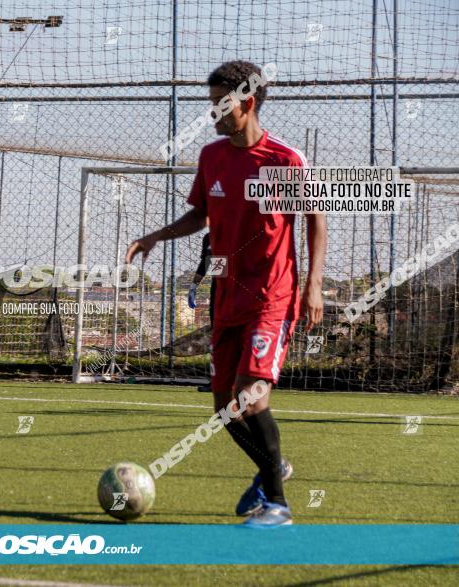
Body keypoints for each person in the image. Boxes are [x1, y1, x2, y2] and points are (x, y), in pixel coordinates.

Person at [126, 61, 326, 527]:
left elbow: (317, 220)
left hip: (272, 296)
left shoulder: (284, 160)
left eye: (221, 103)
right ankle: (272, 468)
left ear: (247, 102)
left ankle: (277, 505)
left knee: (251, 396)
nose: (213, 113)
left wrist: (313, 285)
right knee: (223, 409)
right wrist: (157, 235)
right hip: (226, 299)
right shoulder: (212, 156)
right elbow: (201, 215)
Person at [188, 232, 215, 392]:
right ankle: (218, 380)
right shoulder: (210, 237)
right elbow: (206, 263)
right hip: (220, 290)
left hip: (243, 291)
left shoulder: (241, 230)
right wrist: (193, 287)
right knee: (218, 336)